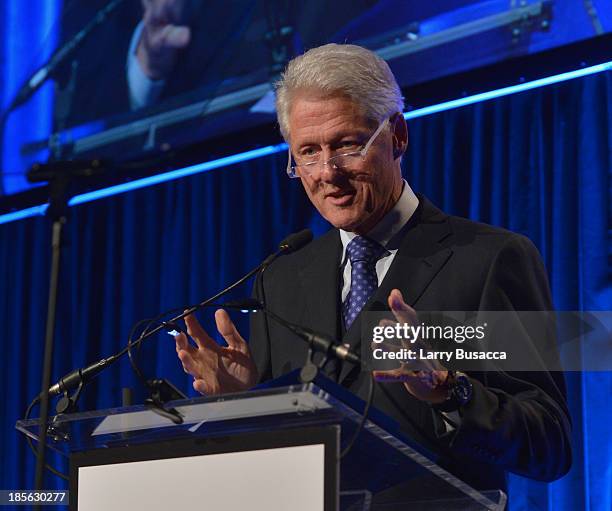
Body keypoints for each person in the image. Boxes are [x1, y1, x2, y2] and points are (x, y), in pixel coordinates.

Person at [172, 43, 572, 492]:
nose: (327, 172)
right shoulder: (282, 278)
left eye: (346, 145)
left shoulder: (490, 258)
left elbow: (550, 442)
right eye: (307, 152)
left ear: (397, 134)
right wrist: (245, 403)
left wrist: (450, 390)